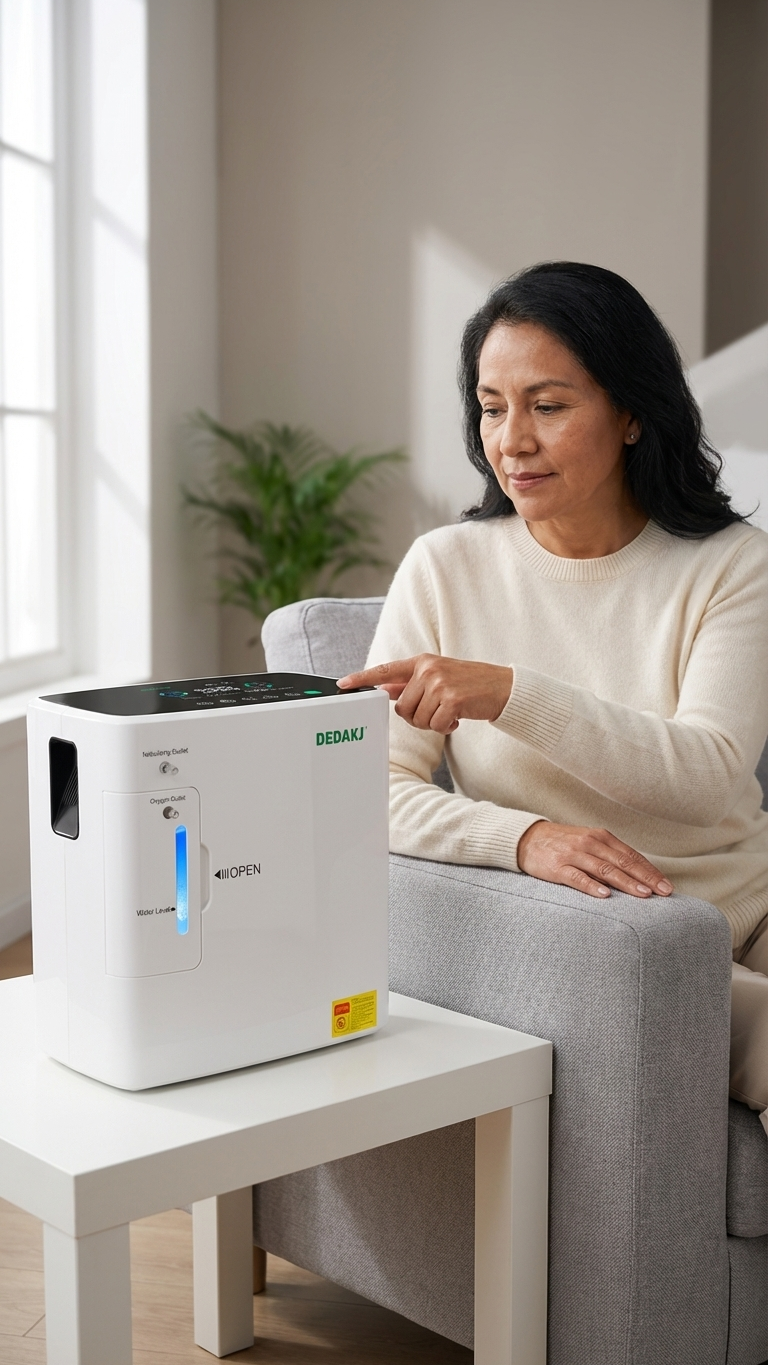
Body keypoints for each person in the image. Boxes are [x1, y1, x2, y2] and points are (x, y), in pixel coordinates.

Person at [338, 261, 768, 1129]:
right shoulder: (445, 567)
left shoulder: (733, 564)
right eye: (493, 407)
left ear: (632, 412)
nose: (512, 441)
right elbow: (367, 790)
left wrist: (508, 692)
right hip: (609, 937)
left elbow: (708, 777)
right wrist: (523, 837)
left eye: (548, 405)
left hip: (750, 907)